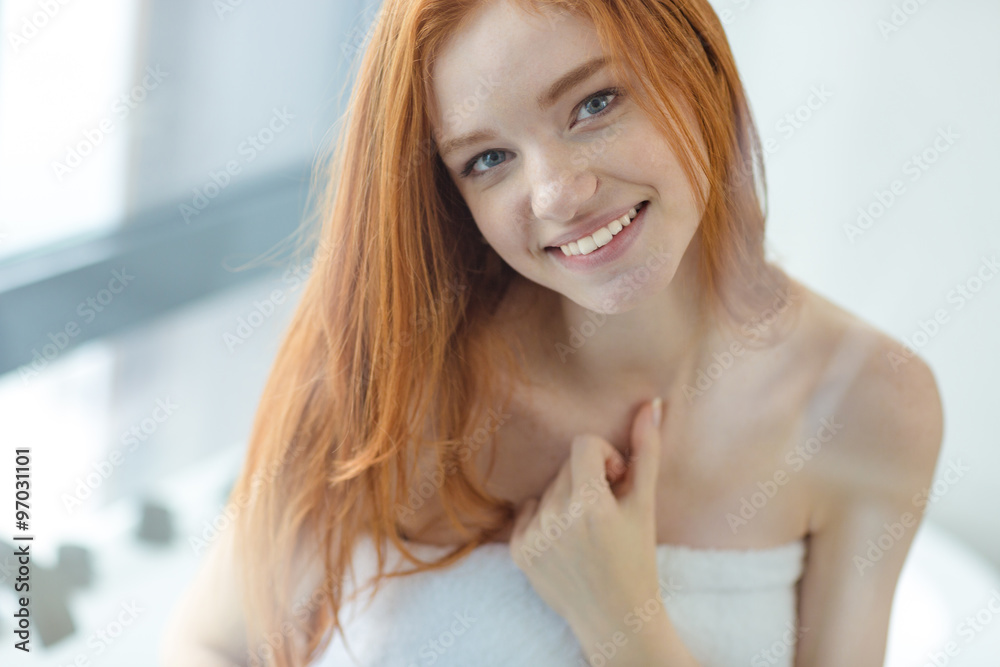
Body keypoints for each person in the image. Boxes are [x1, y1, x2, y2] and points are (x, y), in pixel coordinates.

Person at [160, 0, 944, 665]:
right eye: (490, 158)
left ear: (696, 62)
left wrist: (624, 621)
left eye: (594, 103)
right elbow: (212, 647)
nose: (559, 195)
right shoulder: (387, 370)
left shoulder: (869, 404)